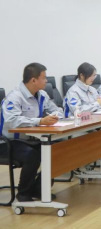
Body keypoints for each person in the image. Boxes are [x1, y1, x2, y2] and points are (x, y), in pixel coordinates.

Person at [0, 63, 62, 202]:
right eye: (44, 78)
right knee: (32, 155)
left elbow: (56, 109)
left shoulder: (42, 95)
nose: (46, 81)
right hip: (8, 142)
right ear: (33, 80)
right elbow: (12, 121)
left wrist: (57, 115)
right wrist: (40, 121)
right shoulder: (14, 97)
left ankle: (38, 189)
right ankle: (23, 193)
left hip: (31, 139)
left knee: (58, 150)